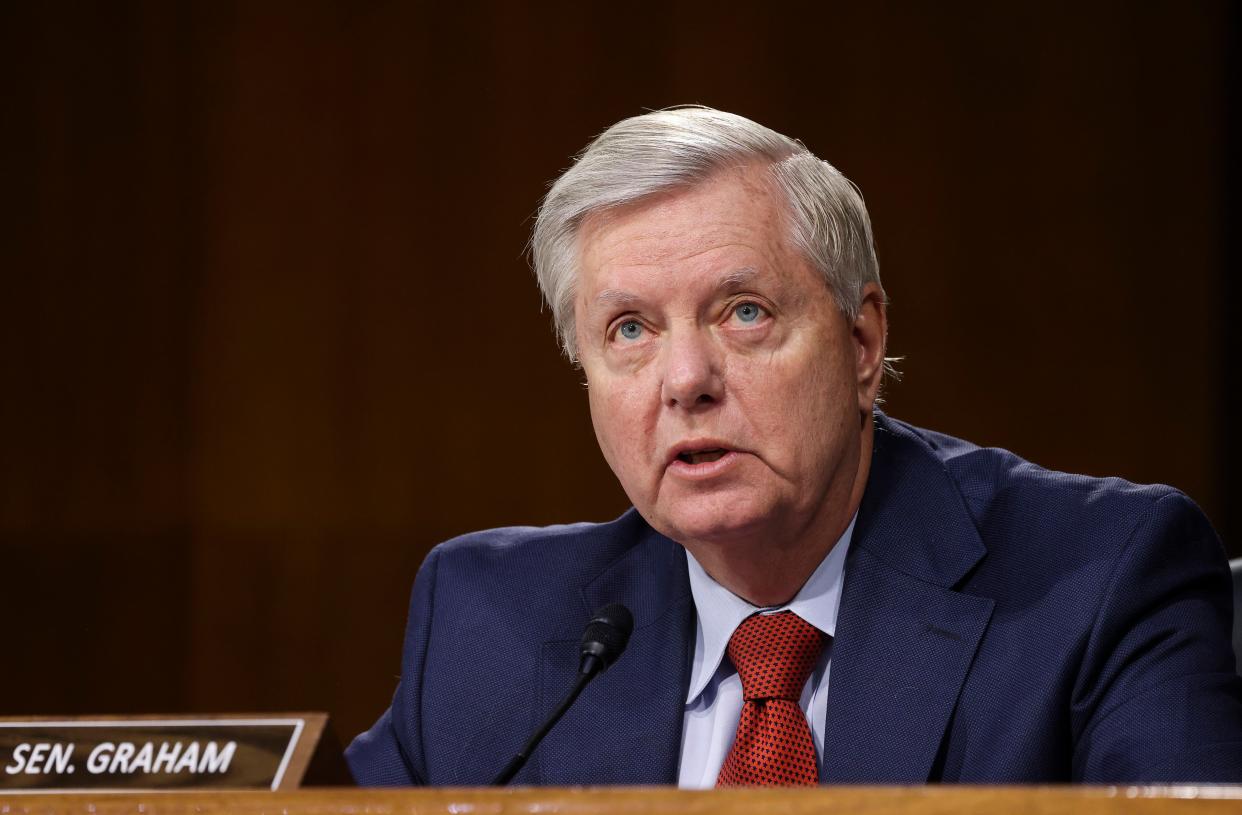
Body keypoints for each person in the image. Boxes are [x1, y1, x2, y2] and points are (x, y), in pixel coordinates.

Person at [346, 107, 1242, 785]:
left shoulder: (1101, 581)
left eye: (745, 312)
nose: (685, 378)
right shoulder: (491, 625)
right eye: (629, 329)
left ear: (861, 343)